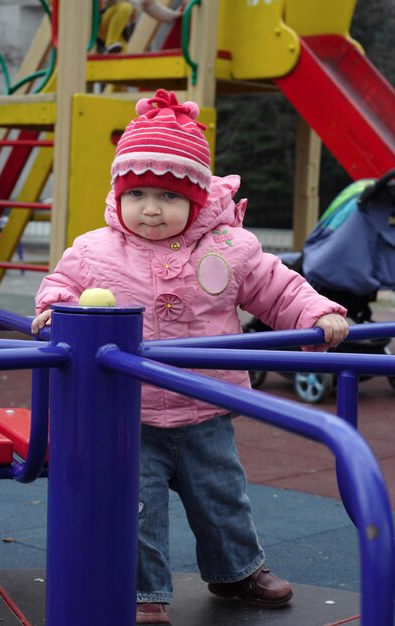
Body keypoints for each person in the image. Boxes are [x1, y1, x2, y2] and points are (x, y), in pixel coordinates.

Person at [32, 89, 349, 625]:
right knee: (137, 509)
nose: (151, 209)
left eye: (169, 196)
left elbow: (277, 288)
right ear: (118, 194)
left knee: (223, 497)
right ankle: (145, 596)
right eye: (138, 195)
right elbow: (62, 285)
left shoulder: (229, 248)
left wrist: (318, 312)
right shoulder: (94, 249)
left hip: (206, 403)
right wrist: (54, 310)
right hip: (129, 411)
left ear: (197, 200)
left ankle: (237, 571)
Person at [97, 0, 182, 54]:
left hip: (117, 31)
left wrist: (175, 15)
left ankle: (117, 81)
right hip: (105, 21)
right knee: (126, 7)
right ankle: (110, 43)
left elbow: (158, 11)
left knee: (123, 59)